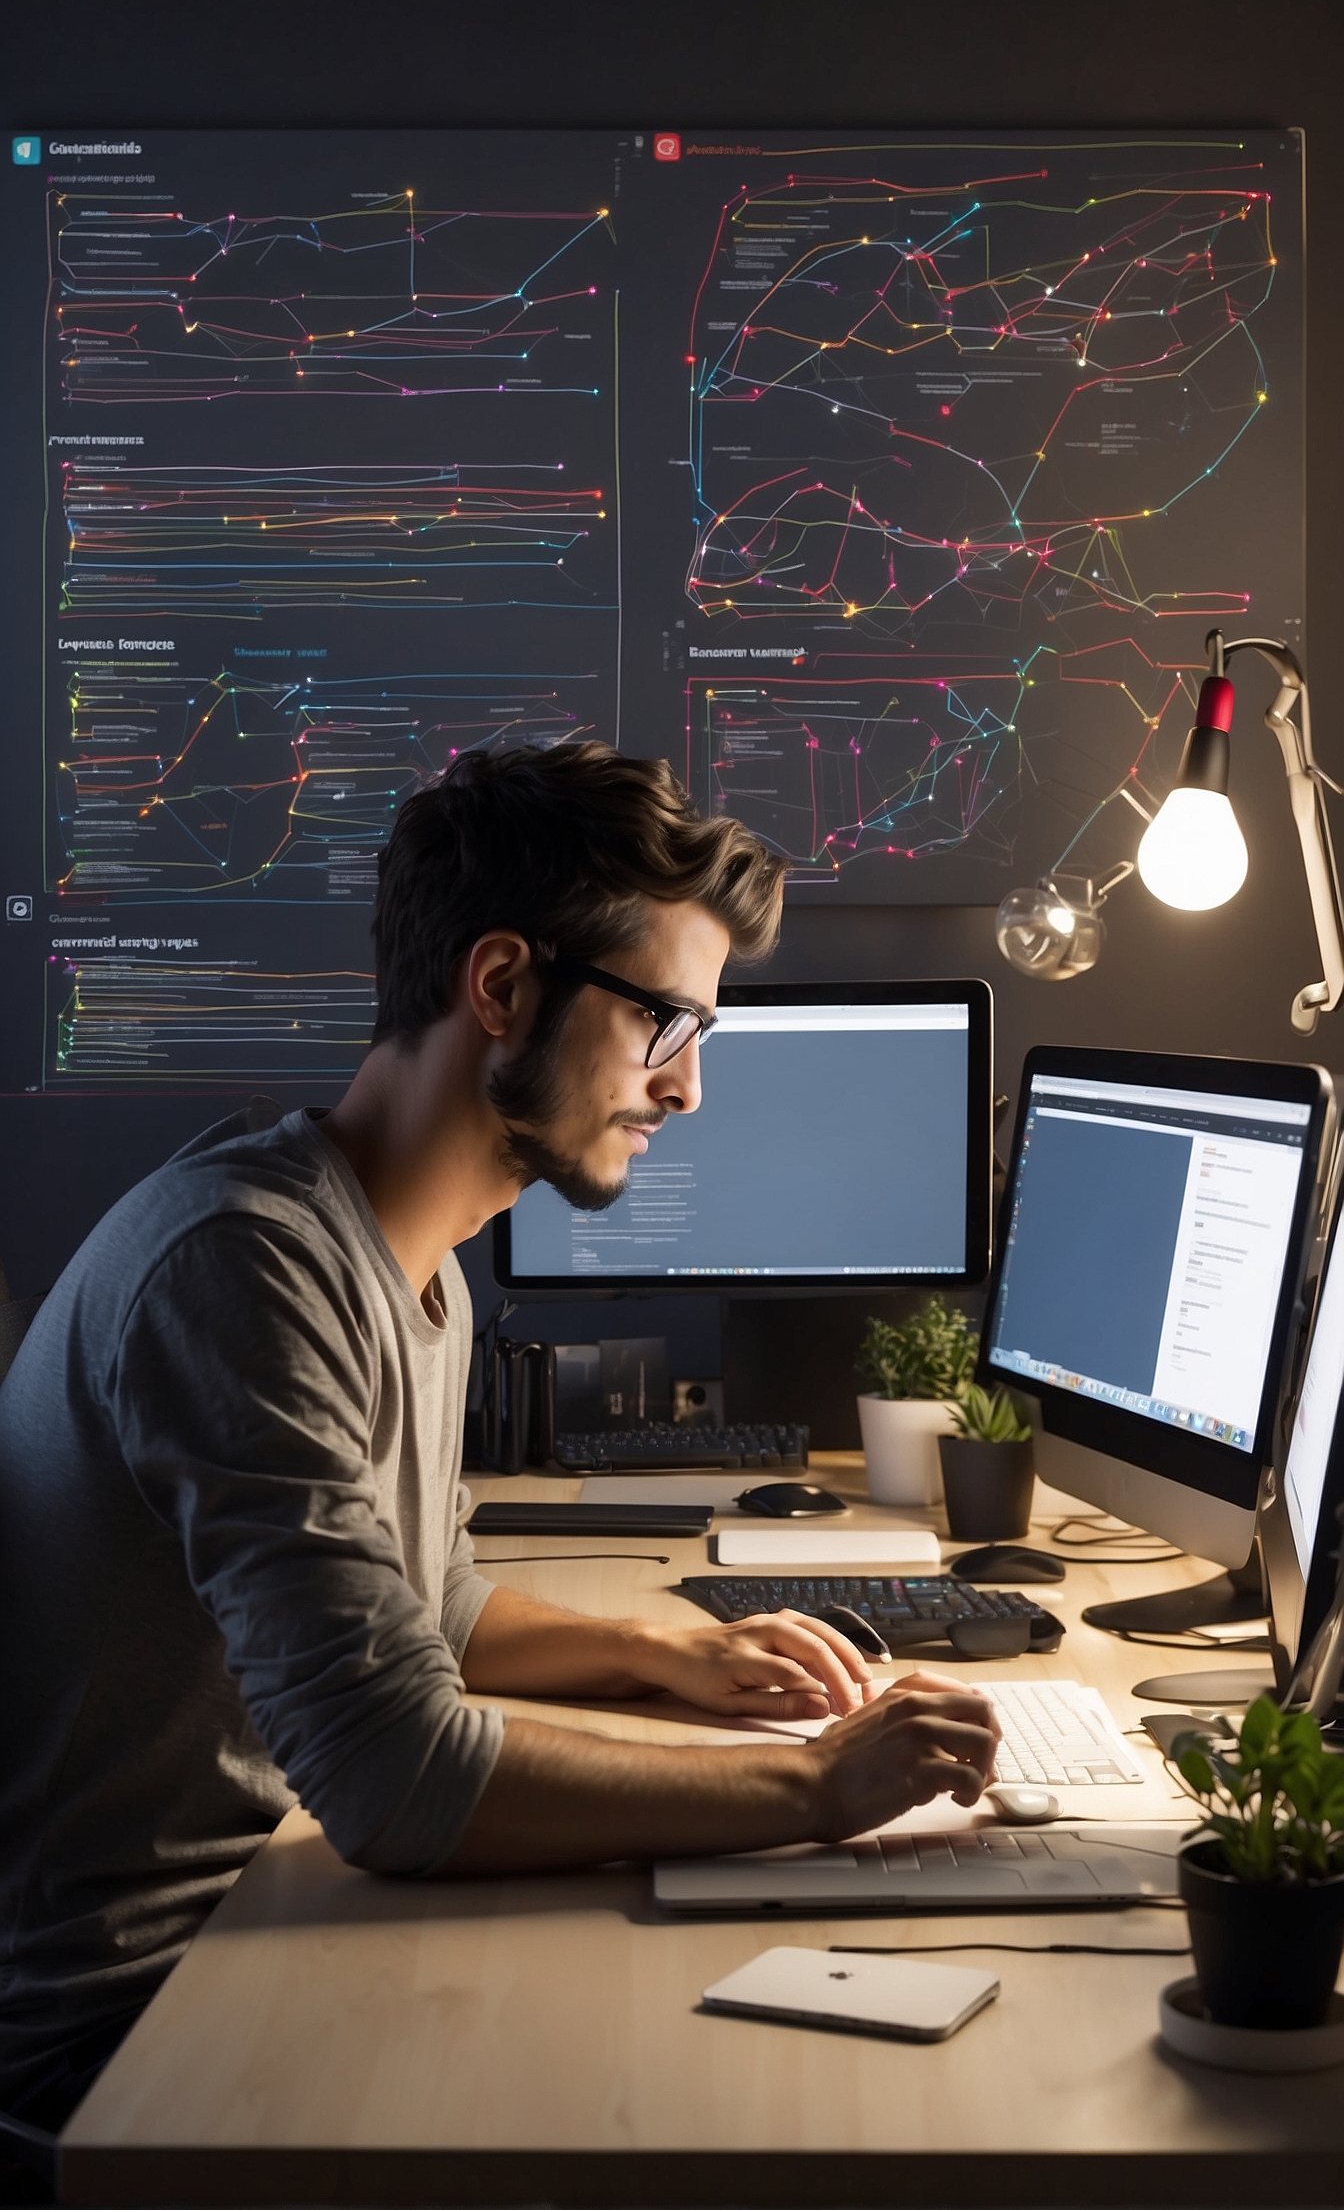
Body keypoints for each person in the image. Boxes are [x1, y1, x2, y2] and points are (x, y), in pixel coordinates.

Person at [0, 744, 998, 2130]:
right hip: (127, 2033)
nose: (688, 1090)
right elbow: (395, 1775)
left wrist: (669, 1655)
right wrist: (816, 1785)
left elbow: (418, 1600)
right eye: (666, 1024)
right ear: (504, 986)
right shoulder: (241, 1269)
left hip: (265, 1922)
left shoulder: (417, 1260)